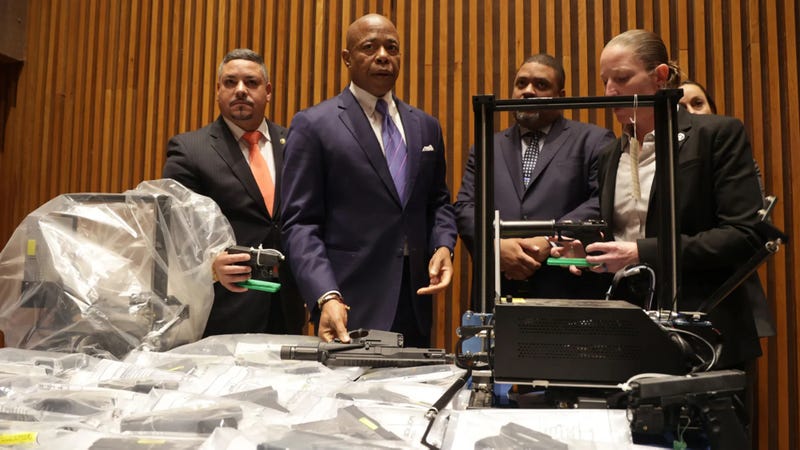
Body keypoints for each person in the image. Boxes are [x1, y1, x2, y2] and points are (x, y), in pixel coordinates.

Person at [570, 29, 766, 370]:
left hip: (704, 333)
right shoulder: (610, 154)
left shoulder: (716, 135)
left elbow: (744, 236)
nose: (609, 91)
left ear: (660, 77)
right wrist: (588, 253)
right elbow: (622, 236)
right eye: (605, 80)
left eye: (622, 78)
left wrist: (639, 252)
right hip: (628, 332)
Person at [280, 14, 457, 347]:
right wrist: (325, 294)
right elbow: (300, 224)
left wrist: (444, 245)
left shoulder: (426, 126)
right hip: (346, 302)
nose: (383, 56)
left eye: (392, 48)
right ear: (347, 58)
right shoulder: (314, 125)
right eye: (369, 47)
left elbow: (438, 202)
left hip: (415, 300)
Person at [163, 48, 305, 337]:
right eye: (230, 83)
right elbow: (173, 231)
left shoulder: (295, 144)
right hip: (224, 311)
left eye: (251, 83)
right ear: (218, 91)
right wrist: (210, 265)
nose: (240, 90)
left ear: (268, 92)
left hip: (287, 309)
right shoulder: (190, 150)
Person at [454, 54, 616, 308]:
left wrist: (550, 239)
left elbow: (600, 202)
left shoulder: (593, 141)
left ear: (560, 96)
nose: (528, 91)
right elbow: (465, 207)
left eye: (540, 85)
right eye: (521, 84)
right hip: (497, 290)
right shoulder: (487, 146)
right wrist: (495, 247)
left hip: (567, 290)